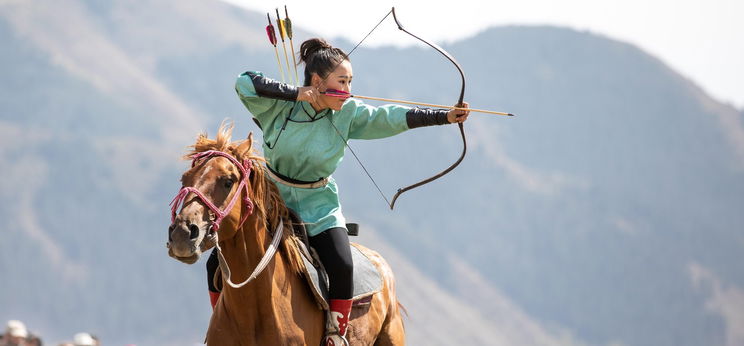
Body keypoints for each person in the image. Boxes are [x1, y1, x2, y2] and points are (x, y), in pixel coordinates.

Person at [232, 37, 469, 345]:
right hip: (271, 201)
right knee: (219, 260)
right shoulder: (278, 106)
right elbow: (244, 82)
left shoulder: (349, 113)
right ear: (317, 82)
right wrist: (296, 94)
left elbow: (391, 118)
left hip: (318, 206)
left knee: (343, 266)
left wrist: (444, 117)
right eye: (341, 81)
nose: (348, 90)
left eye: (350, 82)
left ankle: (334, 333)